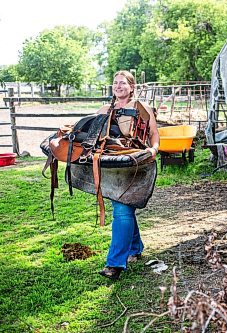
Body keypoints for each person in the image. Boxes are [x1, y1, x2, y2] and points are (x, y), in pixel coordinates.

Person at [97, 70, 159, 280]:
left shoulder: (142, 109)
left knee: (122, 209)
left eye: (122, 83)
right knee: (124, 207)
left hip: (135, 164)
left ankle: (114, 263)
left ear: (131, 87)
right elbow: (95, 134)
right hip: (113, 165)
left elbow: (153, 135)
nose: (118, 86)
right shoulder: (106, 109)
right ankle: (135, 247)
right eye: (115, 83)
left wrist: (153, 150)